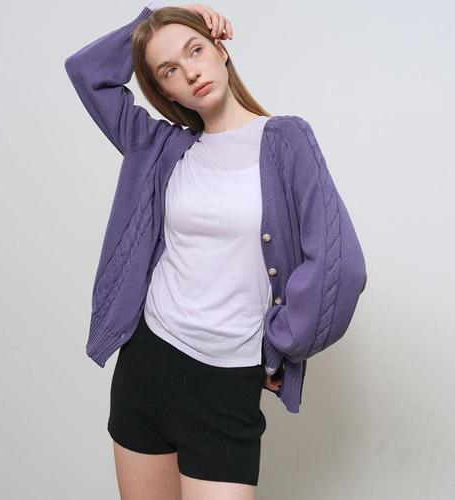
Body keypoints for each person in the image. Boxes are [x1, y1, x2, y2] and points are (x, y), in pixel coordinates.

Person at [63, 1, 368, 499]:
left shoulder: (285, 140)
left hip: (228, 383)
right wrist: (156, 17)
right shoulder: (159, 148)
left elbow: (341, 266)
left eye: (195, 50)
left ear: (221, 50)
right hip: (147, 364)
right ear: (165, 91)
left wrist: (282, 344)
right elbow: (86, 73)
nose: (190, 71)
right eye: (169, 70)